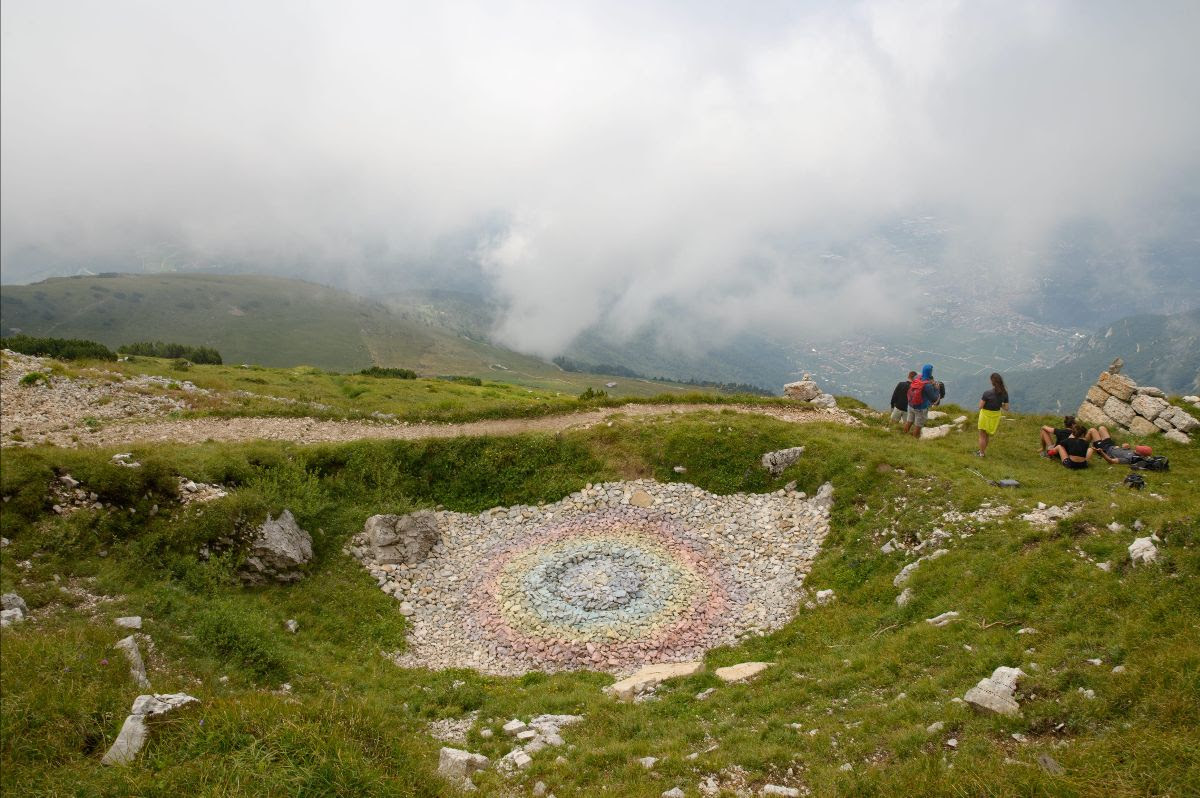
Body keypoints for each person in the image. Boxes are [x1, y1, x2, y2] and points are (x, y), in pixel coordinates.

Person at [901, 364, 942, 438]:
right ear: (930, 372)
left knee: (909, 421)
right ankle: (914, 441)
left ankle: (904, 435)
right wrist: (937, 388)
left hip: (911, 405)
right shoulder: (927, 385)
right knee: (918, 425)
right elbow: (934, 398)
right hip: (920, 408)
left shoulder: (917, 377)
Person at [976, 372, 1009, 457]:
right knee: (987, 436)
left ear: (992, 382)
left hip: (985, 415)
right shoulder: (1004, 393)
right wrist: (999, 403)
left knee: (982, 435)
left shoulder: (987, 393)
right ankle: (982, 451)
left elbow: (980, 406)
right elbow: (1006, 408)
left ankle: (981, 453)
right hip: (995, 416)